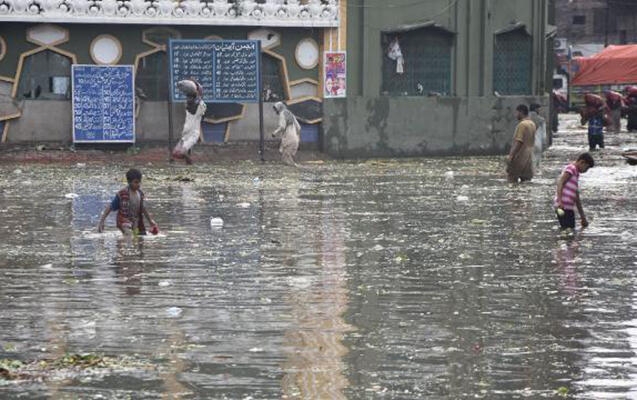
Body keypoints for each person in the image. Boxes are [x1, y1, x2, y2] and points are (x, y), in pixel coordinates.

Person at [97, 168, 157, 236]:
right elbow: (110, 207)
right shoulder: (123, 194)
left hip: (135, 221)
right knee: (128, 235)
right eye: (136, 182)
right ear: (129, 182)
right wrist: (102, 221)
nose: (138, 184)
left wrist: (150, 221)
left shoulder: (140, 194)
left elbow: (143, 208)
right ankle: (123, 245)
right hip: (123, 221)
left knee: (137, 238)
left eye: (139, 182)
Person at [554, 152, 595, 232]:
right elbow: (560, 182)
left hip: (568, 208)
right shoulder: (571, 168)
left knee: (570, 231)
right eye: (586, 168)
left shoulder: (576, 174)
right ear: (582, 162)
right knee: (567, 230)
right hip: (562, 207)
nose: (586, 171)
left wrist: (583, 217)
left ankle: (565, 243)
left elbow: (577, 197)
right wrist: (560, 201)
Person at [172, 79, 207, 165]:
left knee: (180, 153)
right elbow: (190, 104)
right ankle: (188, 160)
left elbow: (198, 106)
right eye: (188, 97)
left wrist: (196, 91)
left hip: (193, 134)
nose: (188, 99)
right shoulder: (188, 104)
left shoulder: (201, 105)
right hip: (185, 133)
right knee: (174, 153)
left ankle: (190, 161)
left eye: (190, 97)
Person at [506, 104, 536, 183]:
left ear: (521, 112)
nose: (516, 115)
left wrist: (511, 156)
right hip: (529, 158)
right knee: (526, 181)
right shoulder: (532, 124)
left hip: (519, 157)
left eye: (517, 112)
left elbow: (519, 141)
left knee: (511, 179)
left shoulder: (522, 125)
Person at [272, 102, 301, 166]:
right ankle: (291, 164)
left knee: (286, 154)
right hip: (295, 137)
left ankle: (293, 164)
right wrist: (298, 135)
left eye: (276, 109)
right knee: (287, 154)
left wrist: (275, 132)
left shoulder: (282, 114)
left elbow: (282, 126)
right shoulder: (291, 114)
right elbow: (298, 127)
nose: (275, 111)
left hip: (288, 136)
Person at [529, 103, 546, 173]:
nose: (540, 110)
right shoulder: (541, 120)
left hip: (528, 143)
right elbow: (544, 134)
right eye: (539, 109)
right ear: (536, 109)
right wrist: (544, 144)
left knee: (530, 161)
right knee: (537, 162)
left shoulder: (525, 119)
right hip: (538, 143)